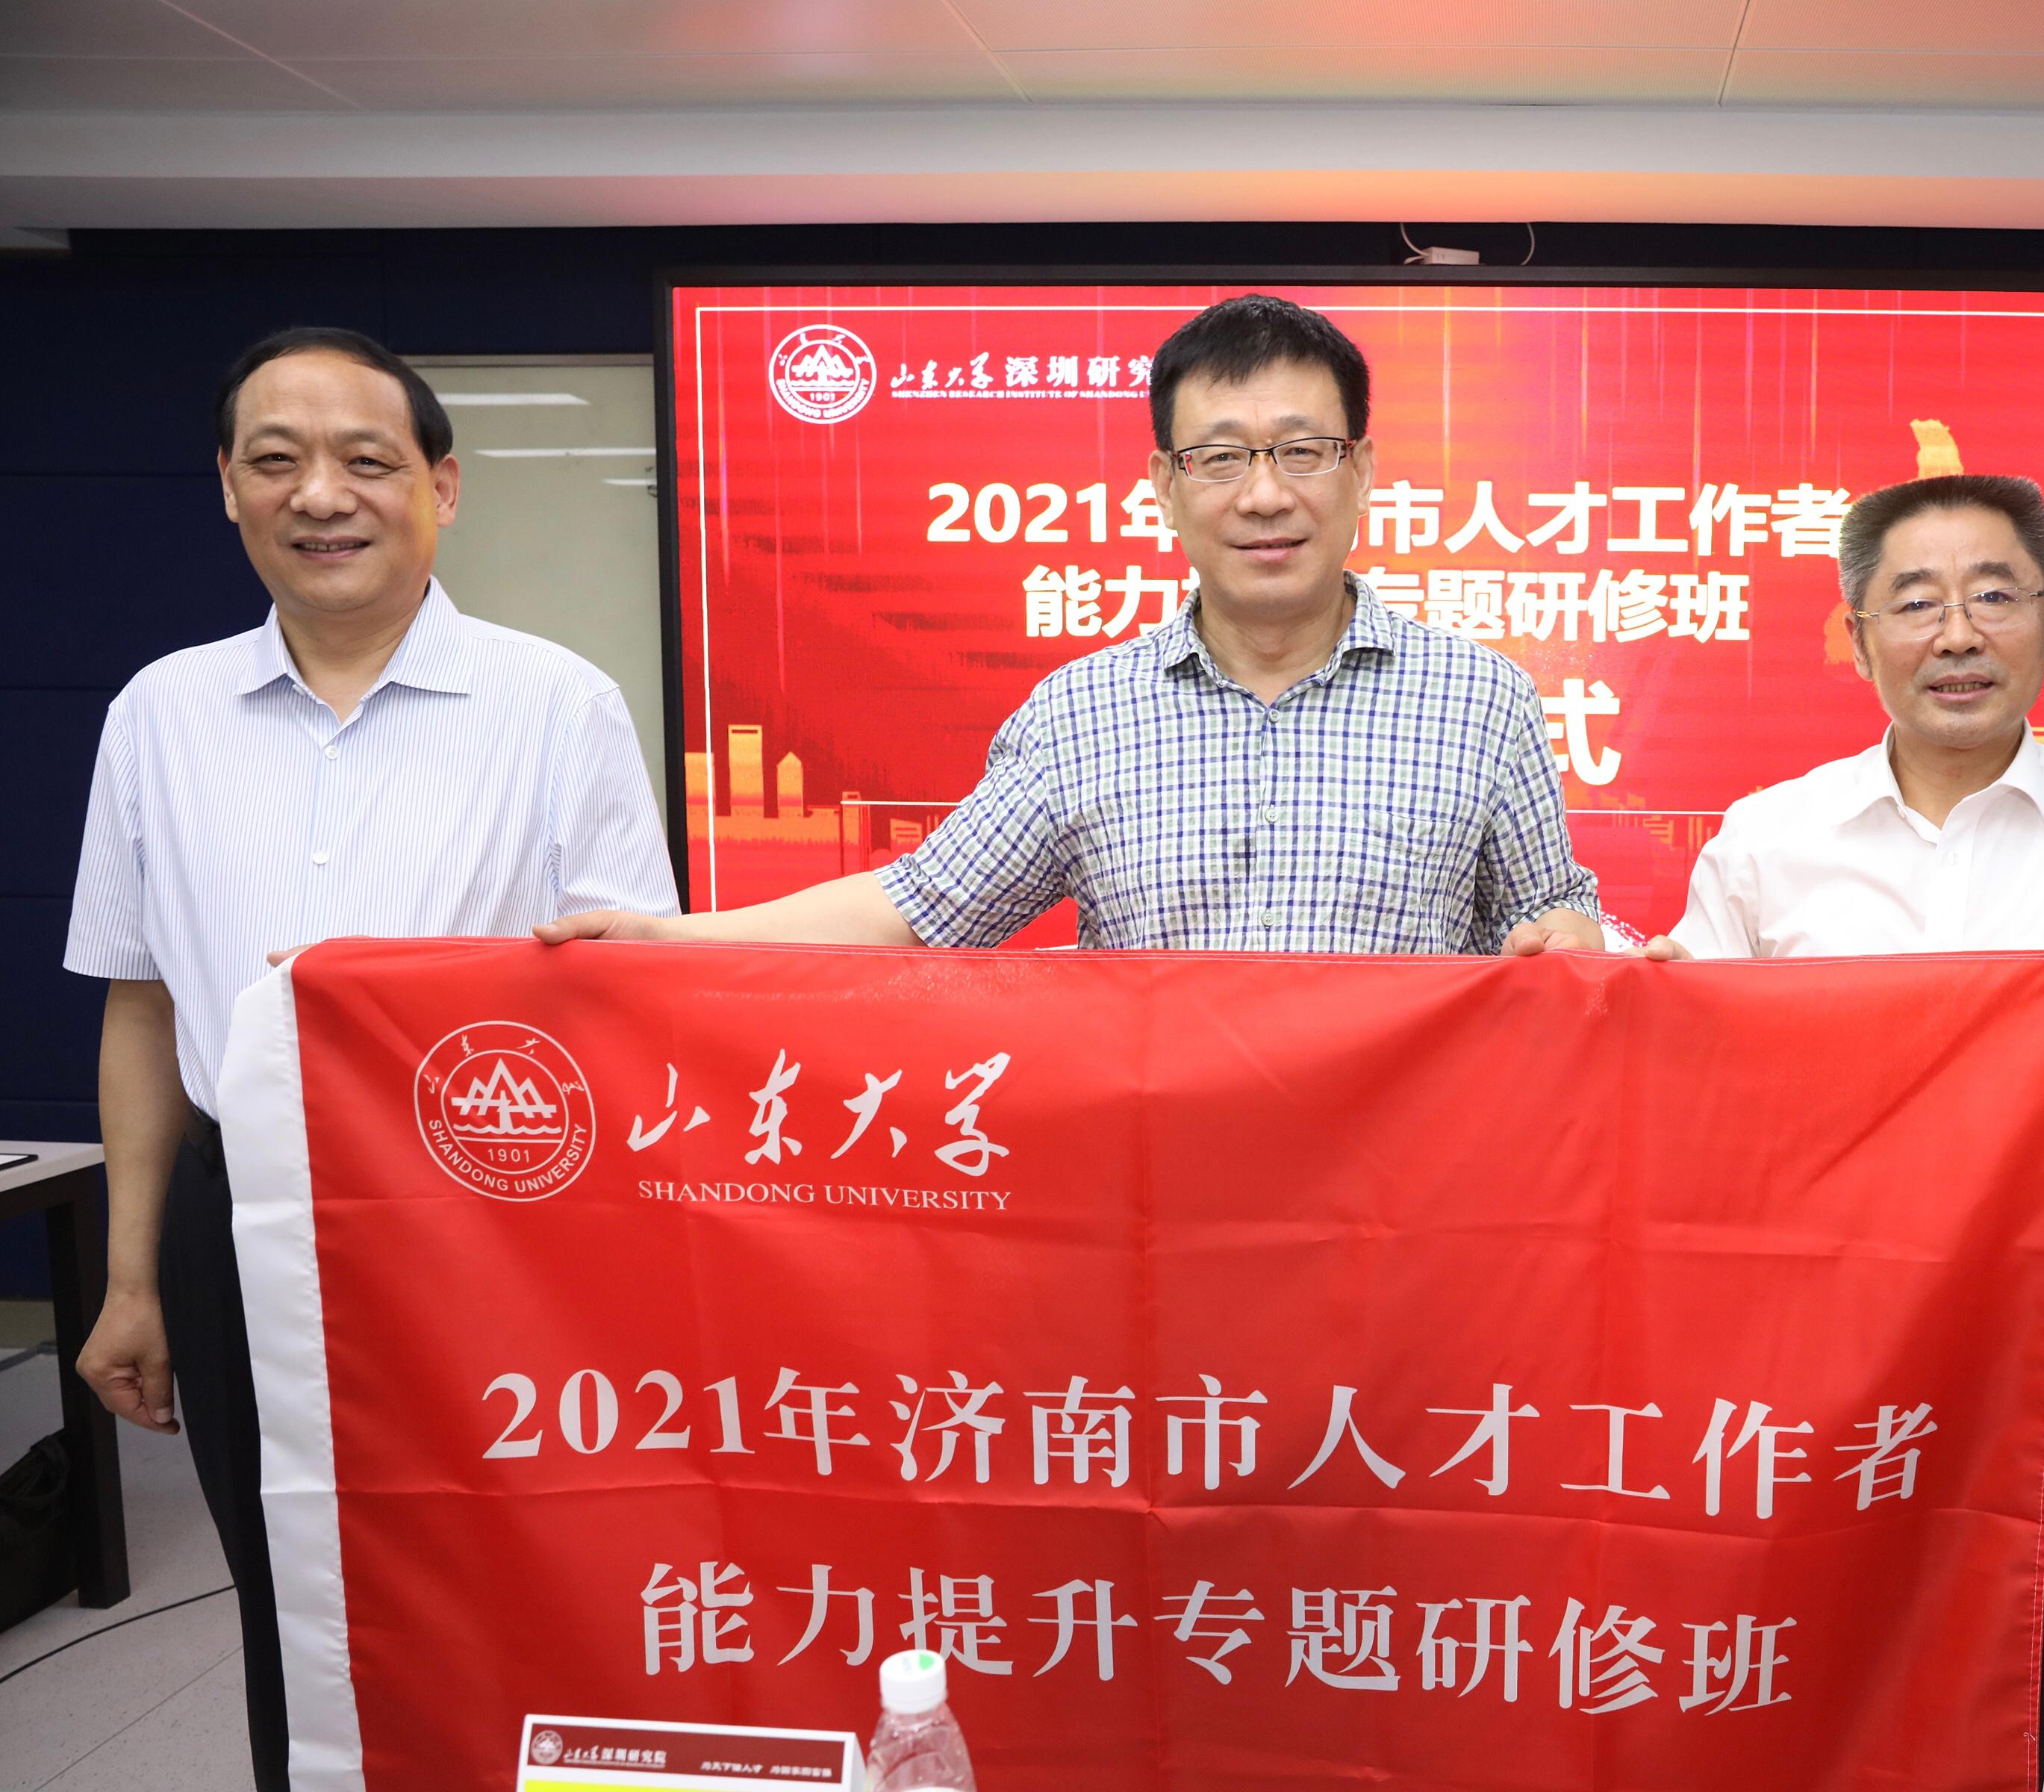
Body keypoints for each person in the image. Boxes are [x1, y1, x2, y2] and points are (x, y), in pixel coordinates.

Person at [65, 327, 677, 1791]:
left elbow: (628, 990)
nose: (320, 495)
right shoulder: (159, 716)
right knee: (287, 1588)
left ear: (441, 487)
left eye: (365, 460)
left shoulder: (556, 704)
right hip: (239, 1209)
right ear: (228, 486)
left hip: (488, 1218)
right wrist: (134, 1279)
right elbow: (143, 1007)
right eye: (275, 461)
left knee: (509, 1578)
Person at [1642, 473, 2044, 1779]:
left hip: (2026, 1329)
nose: (1957, 634)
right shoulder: (1768, 839)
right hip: (1805, 1326)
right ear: (1856, 633)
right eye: (1915, 601)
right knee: (1784, 1629)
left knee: (2001, 1648)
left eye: (1994, 595)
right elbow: (1682, 1081)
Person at [542, 293, 1604, 956]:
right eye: (1220, 457)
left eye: (1301, 451)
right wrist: (668, 939)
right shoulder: (1084, 713)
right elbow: (918, 909)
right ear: (1166, 486)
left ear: (1360, 469)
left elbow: (1556, 926)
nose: (1265, 495)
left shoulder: (1481, 699)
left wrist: (1577, 940)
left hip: (1400, 1206)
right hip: (1156, 1201)